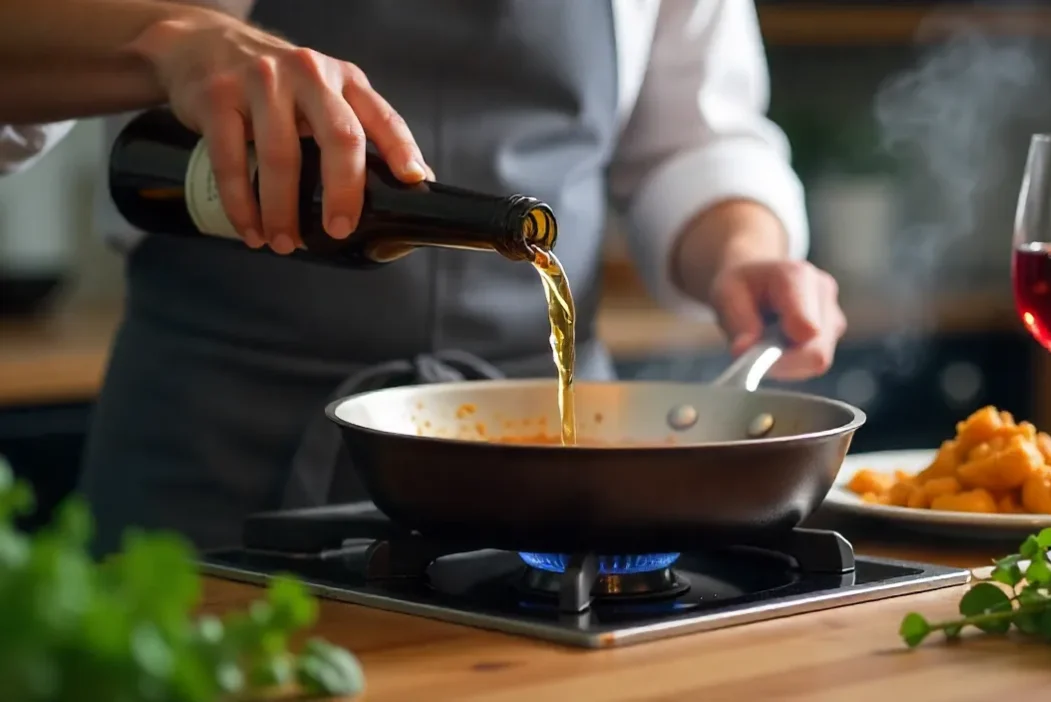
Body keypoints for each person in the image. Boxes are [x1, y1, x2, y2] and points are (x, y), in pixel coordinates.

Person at [0, 0, 848, 556]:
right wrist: (171, 38)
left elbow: (695, 139)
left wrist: (743, 250)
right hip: (218, 457)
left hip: (556, 480)